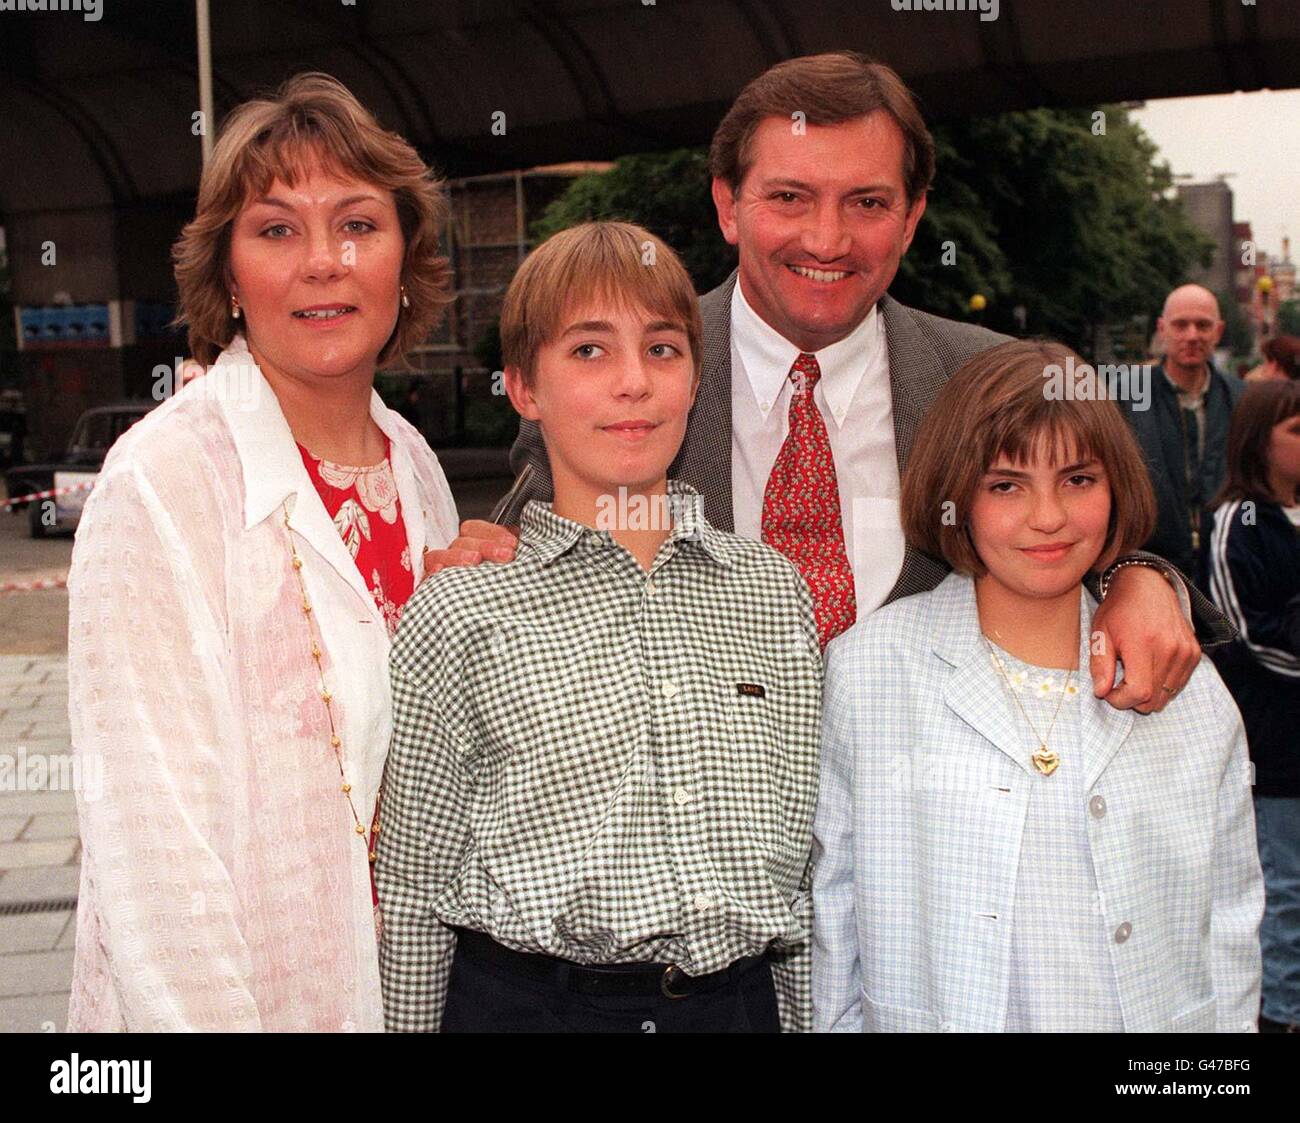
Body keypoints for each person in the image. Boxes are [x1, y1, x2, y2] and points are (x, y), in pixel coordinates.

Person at [445, 53, 1231, 709]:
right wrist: (481, 557)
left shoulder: (990, 377)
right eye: (790, 197)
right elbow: (523, 548)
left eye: (867, 202)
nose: (828, 238)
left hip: (928, 859)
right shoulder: (629, 385)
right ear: (728, 204)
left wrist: (1139, 579)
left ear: (913, 217)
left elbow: (1118, 535)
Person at [65, 73, 460, 1031]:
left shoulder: (415, 467)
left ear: (405, 259)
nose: (324, 261)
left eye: (359, 224)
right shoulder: (160, 481)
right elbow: (154, 854)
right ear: (229, 275)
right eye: (277, 230)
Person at [377, 221, 823, 1033]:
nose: (633, 383)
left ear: (695, 379)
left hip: (731, 1005)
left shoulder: (770, 590)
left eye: (661, 349)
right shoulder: (461, 608)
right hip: (532, 1007)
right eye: (589, 350)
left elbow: (797, 868)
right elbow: (414, 881)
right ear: (522, 388)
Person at [812, 339, 1263, 1033]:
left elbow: (1229, 924)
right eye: (1005, 485)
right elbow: (831, 918)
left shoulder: (1188, 689)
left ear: (1117, 485)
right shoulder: (871, 672)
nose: (1047, 516)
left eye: (1078, 479)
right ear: (954, 496)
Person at [1203, 380, 1300, 1032]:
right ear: (1260, 440)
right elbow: (1246, 633)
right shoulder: (1238, 522)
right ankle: (1279, 1012)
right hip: (1278, 746)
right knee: (1284, 891)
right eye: (1296, 429)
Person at [1122, 284, 1245, 582]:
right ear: (1162, 329)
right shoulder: (1125, 395)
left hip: (1226, 567)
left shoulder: (1241, 398)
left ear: (1218, 331)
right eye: (1181, 325)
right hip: (1148, 568)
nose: (1192, 335)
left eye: (1203, 325)